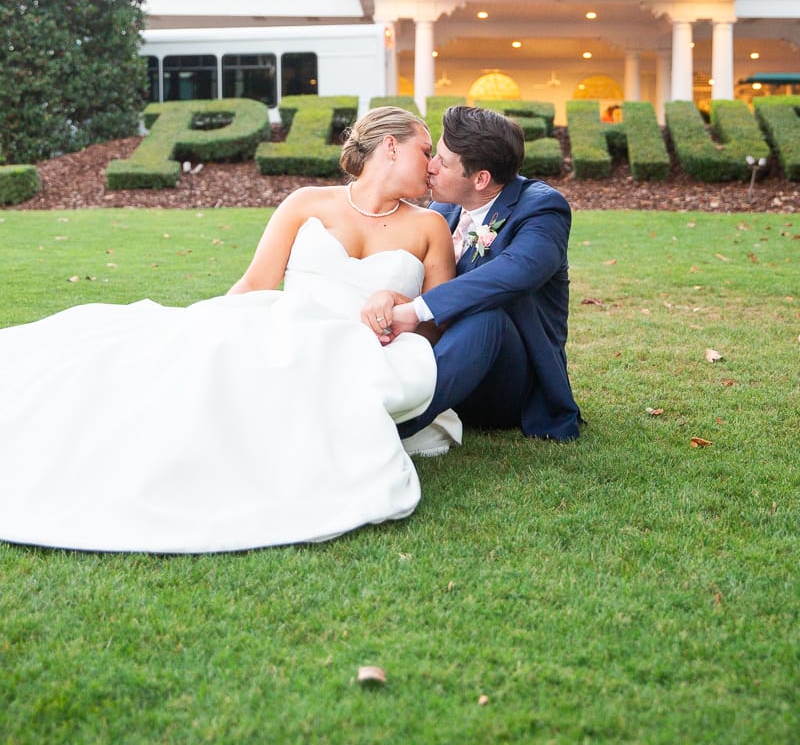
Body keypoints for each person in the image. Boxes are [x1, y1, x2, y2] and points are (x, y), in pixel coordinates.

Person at [0, 107, 455, 554]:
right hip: (281, 324)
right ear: (391, 147)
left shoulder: (430, 225)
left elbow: (437, 321)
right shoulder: (306, 202)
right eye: (425, 150)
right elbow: (256, 283)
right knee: (178, 362)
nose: (433, 164)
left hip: (360, 348)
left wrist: (397, 303)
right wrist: (203, 321)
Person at [361, 105, 581, 455]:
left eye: (443, 162)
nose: (430, 166)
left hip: (509, 383)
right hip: (444, 364)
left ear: (480, 179)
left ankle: (387, 429)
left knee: (487, 316)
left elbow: (515, 272)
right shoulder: (442, 210)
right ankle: (359, 396)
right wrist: (395, 299)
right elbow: (428, 282)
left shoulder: (542, 209)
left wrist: (417, 310)